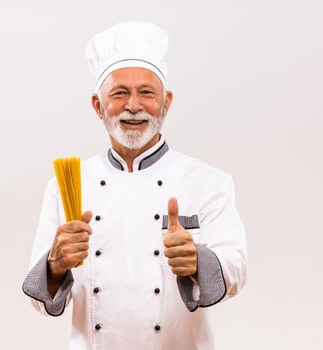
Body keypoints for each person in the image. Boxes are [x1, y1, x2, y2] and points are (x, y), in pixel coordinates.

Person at [22, 21, 247, 350]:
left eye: (146, 93)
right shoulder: (67, 184)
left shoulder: (208, 182)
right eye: (119, 93)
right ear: (98, 106)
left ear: (166, 102)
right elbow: (40, 302)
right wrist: (56, 263)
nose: (133, 105)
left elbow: (237, 269)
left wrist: (198, 260)